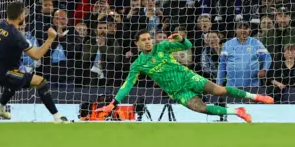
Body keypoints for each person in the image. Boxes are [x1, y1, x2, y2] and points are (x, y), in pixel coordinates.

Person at [100, 29, 273, 123]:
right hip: (177, 92)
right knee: (201, 108)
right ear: (136, 43)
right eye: (143, 40)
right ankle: (238, 112)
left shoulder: (162, 47)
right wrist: (113, 103)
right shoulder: (137, 65)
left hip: (189, 77)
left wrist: (181, 39)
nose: (148, 41)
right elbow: (127, 85)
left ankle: (256, 96)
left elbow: (187, 46)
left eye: (149, 38)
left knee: (219, 91)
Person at [0, 2, 69, 123]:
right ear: (20, 16)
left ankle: (0, 108)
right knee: (40, 82)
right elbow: (36, 55)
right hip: (5, 74)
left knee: (16, 78)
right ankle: (58, 117)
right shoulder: (16, 35)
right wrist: (50, 39)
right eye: (24, 14)